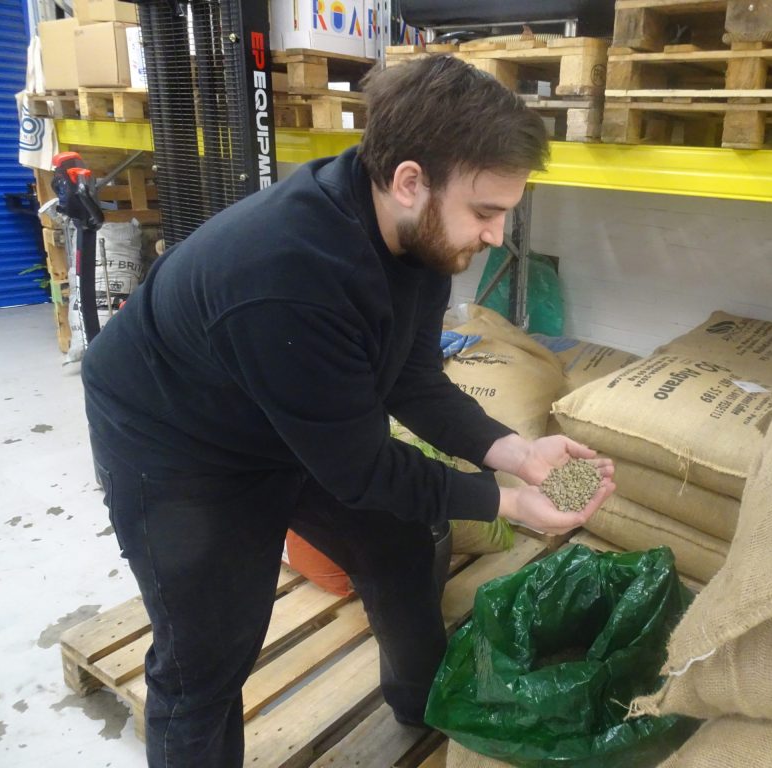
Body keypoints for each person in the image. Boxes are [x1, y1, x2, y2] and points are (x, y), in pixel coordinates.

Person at [82, 55, 615, 767]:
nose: (495, 236)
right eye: (485, 212)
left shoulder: (418, 237)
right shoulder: (285, 275)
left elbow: (413, 381)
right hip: (180, 440)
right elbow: (361, 468)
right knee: (207, 659)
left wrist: (515, 454)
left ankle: (422, 702)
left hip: (290, 405)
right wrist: (509, 505)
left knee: (403, 536)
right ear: (408, 182)